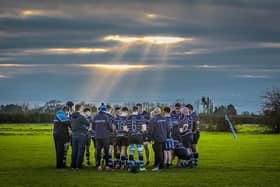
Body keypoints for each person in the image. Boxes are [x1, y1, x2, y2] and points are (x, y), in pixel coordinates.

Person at [92, 103, 113, 171]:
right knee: (106, 151)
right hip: (105, 136)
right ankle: (107, 166)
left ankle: (98, 166)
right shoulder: (107, 116)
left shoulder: (95, 116)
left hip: (97, 136)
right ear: (105, 109)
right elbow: (109, 127)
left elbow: (93, 127)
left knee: (98, 151)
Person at [127, 106, 147, 172]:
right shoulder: (141, 117)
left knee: (132, 151)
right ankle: (141, 167)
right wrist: (141, 132)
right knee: (140, 151)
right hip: (138, 135)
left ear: (132, 110)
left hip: (131, 135)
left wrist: (130, 132)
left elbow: (125, 128)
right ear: (137, 110)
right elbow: (144, 129)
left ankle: (130, 167)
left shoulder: (128, 117)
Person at [70, 104, 90, 169]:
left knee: (74, 150)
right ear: (80, 108)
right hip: (81, 135)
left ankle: (73, 165)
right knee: (80, 150)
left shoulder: (72, 116)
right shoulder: (81, 116)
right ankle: (78, 165)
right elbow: (88, 123)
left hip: (74, 135)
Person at [149, 107, 168, 171]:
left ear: (155, 112)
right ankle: (159, 164)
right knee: (162, 151)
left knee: (158, 152)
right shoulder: (165, 119)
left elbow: (151, 130)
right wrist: (167, 136)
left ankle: (159, 166)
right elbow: (168, 128)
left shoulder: (153, 119)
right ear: (160, 112)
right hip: (164, 137)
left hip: (157, 138)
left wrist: (149, 138)